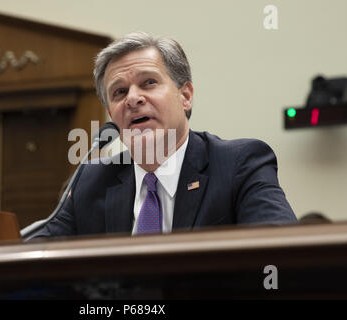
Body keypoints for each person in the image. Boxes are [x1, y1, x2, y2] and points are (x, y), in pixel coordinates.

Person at [30, 31, 296, 239]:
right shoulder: (91, 180)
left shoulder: (240, 163)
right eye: (119, 92)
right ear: (112, 115)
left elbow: (280, 249)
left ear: (186, 96)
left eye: (149, 83)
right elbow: (35, 255)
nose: (133, 98)